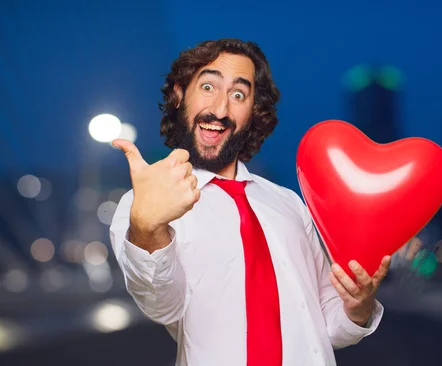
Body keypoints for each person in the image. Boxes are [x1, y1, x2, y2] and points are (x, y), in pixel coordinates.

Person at [109, 38, 390, 366]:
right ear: (179, 94)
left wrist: (358, 308)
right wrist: (148, 227)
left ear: (254, 112)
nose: (220, 108)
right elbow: (162, 307)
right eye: (209, 86)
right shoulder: (143, 204)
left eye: (239, 94)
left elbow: (327, 325)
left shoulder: (291, 205)